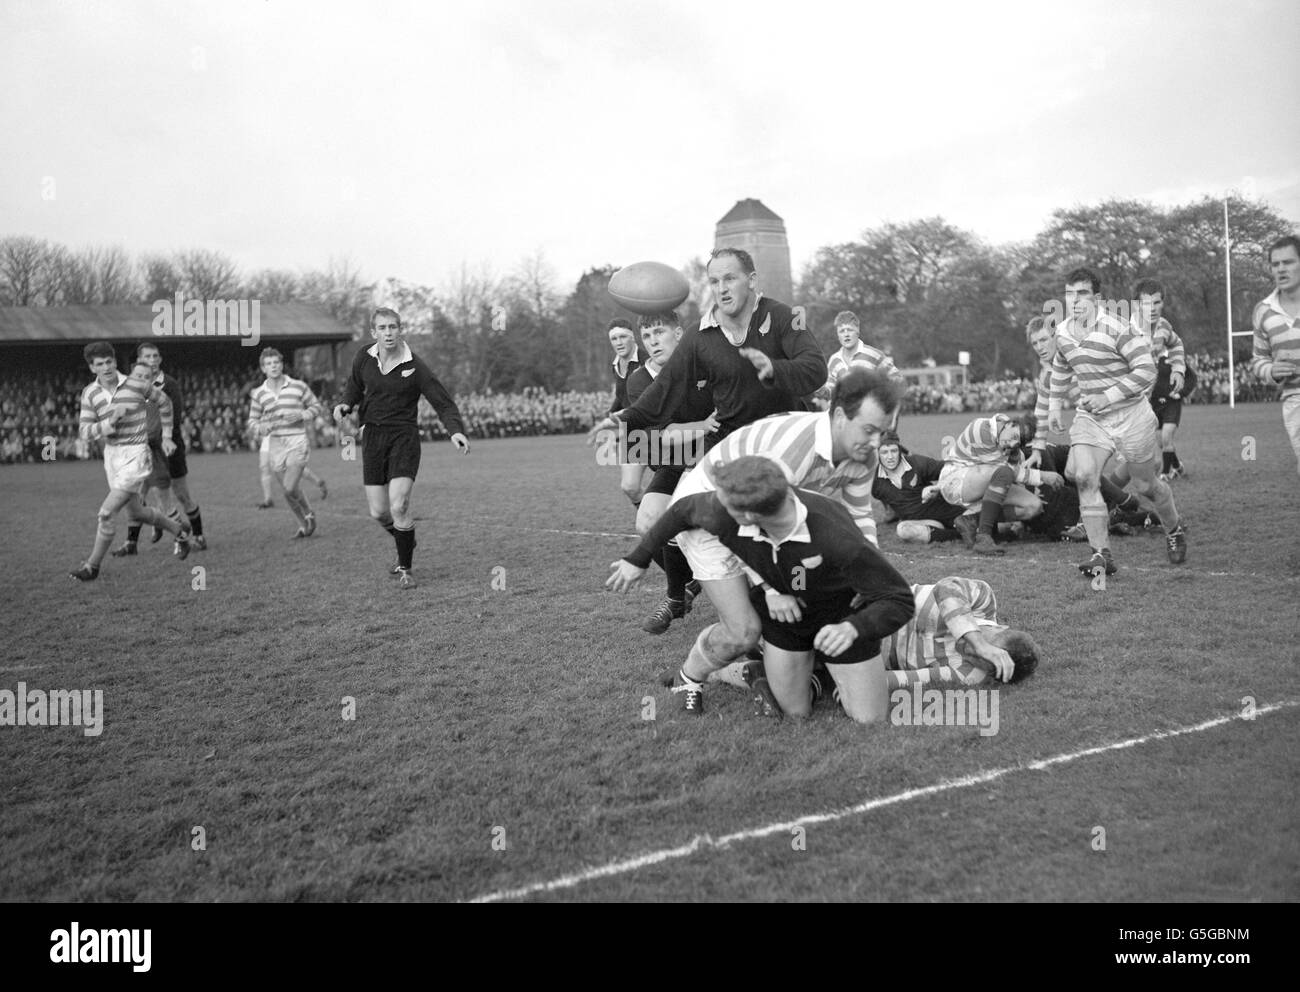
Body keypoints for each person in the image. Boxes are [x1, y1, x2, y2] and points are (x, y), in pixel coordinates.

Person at [617, 369, 904, 714]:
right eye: (870, 430)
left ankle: (779, 669)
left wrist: (868, 576)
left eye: (883, 432)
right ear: (840, 416)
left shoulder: (863, 455)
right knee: (743, 630)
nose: (877, 443)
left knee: (802, 593)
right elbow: (751, 530)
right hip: (713, 518)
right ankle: (690, 676)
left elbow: (859, 514)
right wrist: (770, 588)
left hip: (760, 523)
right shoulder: (790, 452)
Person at [607, 456, 915, 723]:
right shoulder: (727, 508)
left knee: (869, 718)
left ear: (751, 516)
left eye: (724, 502)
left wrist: (853, 628)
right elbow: (681, 510)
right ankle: (743, 671)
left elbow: (898, 599)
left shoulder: (834, 535)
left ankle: (821, 672)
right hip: (785, 621)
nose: (715, 503)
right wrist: (638, 559)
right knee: (796, 713)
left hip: (839, 618)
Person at [588, 247, 826, 452]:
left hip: (785, 439)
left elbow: (816, 369)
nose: (721, 289)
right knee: (687, 493)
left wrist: (774, 369)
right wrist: (625, 420)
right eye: (714, 281)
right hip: (730, 446)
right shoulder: (698, 336)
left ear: (751, 280)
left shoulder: (786, 317)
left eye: (730, 279)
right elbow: (663, 389)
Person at [1047, 268, 1186, 575]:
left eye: (1082, 294)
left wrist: (1107, 397)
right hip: (1092, 418)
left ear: (1097, 298)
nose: (1075, 300)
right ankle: (1101, 554)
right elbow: (1061, 365)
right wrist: (1054, 406)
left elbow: (1146, 370)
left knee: (1146, 485)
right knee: (1084, 476)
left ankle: (1174, 528)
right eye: (1069, 294)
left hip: (1131, 415)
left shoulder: (1118, 327)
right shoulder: (1063, 332)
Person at [333, 307, 470, 589]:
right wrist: (346, 404)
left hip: (403, 438)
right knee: (379, 512)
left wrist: (455, 430)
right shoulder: (363, 357)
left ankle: (405, 568)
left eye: (393, 327)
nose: (388, 333)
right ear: (373, 332)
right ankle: (405, 538)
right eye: (382, 328)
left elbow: (442, 401)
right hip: (372, 437)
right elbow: (354, 387)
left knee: (399, 505)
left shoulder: (415, 366)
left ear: (400, 329)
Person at [624, 311, 717, 634]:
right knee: (647, 521)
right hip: (674, 458)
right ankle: (686, 585)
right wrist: (703, 425)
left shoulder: (704, 363)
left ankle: (679, 595)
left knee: (706, 528)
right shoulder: (639, 381)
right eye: (647, 336)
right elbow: (661, 435)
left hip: (712, 458)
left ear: (678, 334)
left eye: (659, 332)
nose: (653, 341)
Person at [70, 344, 191, 581]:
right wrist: (109, 422)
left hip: (137, 453)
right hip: (112, 456)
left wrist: (167, 436)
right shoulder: (89, 393)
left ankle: (92, 566)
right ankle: (179, 531)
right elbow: (84, 432)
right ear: (92, 367)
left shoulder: (135, 384)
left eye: (109, 361)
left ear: (115, 362)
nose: (106, 367)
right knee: (137, 512)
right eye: (100, 364)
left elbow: (165, 402)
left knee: (106, 513)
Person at [111, 342, 208, 557]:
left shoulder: (169, 385)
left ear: (160, 359)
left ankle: (197, 537)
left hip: (167, 447)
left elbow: (174, 419)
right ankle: (132, 542)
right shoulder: (131, 386)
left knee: (180, 495)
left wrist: (156, 438)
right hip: (140, 449)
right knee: (136, 494)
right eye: (147, 357)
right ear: (139, 361)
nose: (152, 360)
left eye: (155, 356)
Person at [938, 413, 1063, 555]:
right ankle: (984, 537)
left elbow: (1012, 473)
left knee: (1033, 506)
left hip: (987, 481)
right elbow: (1006, 471)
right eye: (1014, 436)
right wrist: (1043, 476)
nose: (1011, 444)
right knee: (1004, 472)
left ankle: (972, 520)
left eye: (1017, 444)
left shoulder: (1013, 450)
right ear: (1009, 424)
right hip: (954, 483)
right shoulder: (981, 429)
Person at [881, 576, 1039, 687]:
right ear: (1000, 627)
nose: (972, 651)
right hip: (877, 603)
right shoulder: (983, 601)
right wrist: (980, 644)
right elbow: (946, 587)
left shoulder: (971, 675)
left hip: (873, 651)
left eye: (981, 660)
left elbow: (890, 680)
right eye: (988, 648)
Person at [247, 348, 323, 540]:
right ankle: (303, 525)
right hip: (275, 445)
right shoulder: (259, 394)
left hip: (297, 441)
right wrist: (261, 428)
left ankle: (309, 513)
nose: (273, 366)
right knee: (288, 491)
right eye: (269, 364)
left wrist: (301, 414)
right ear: (263, 368)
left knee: (289, 487)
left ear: (281, 365)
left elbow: (316, 406)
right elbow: (252, 420)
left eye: (276, 362)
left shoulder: (298, 386)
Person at [1130, 280, 1193, 480]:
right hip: (1128, 398)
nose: (1152, 309)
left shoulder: (1164, 326)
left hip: (1152, 399)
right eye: (1146, 304)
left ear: (1163, 303)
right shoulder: (1125, 330)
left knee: (1159, 444)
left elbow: (1176, 344)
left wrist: (1178, 370)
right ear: (1137, 306)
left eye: (1156, 302)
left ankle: (1164, 473)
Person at [1249, 235, 1300, 476]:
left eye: (1288, 262)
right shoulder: (1263, 311)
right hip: (1295, 399)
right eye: (1275, 264)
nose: (1281, 269)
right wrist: (1271, 371)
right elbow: (1258, 360)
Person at [871, 431, 973, 544]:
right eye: (884, 452)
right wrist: (891, 511)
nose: (890, 457)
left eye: (893, 451)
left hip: (948, 512)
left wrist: (938, 487)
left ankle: (965, 527)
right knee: (903, 530)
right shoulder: (875, 482)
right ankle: (956, 535)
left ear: (900, 450)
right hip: (925, 523)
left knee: (977, 523)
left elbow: (952, 469)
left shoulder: (917, 463)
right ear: (877, 454)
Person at [607, 318, 646, 508]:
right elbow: (621, 394)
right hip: (633, 433)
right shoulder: (615, 365)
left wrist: (623, 413)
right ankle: (654, 519)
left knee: (675, 487)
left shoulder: (648, 360)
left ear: (633, 338)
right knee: (630, 487)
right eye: (614, 339)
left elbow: (650, 399)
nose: (619, 342)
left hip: (659, 430)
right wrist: (611, 412)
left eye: (623, 337)